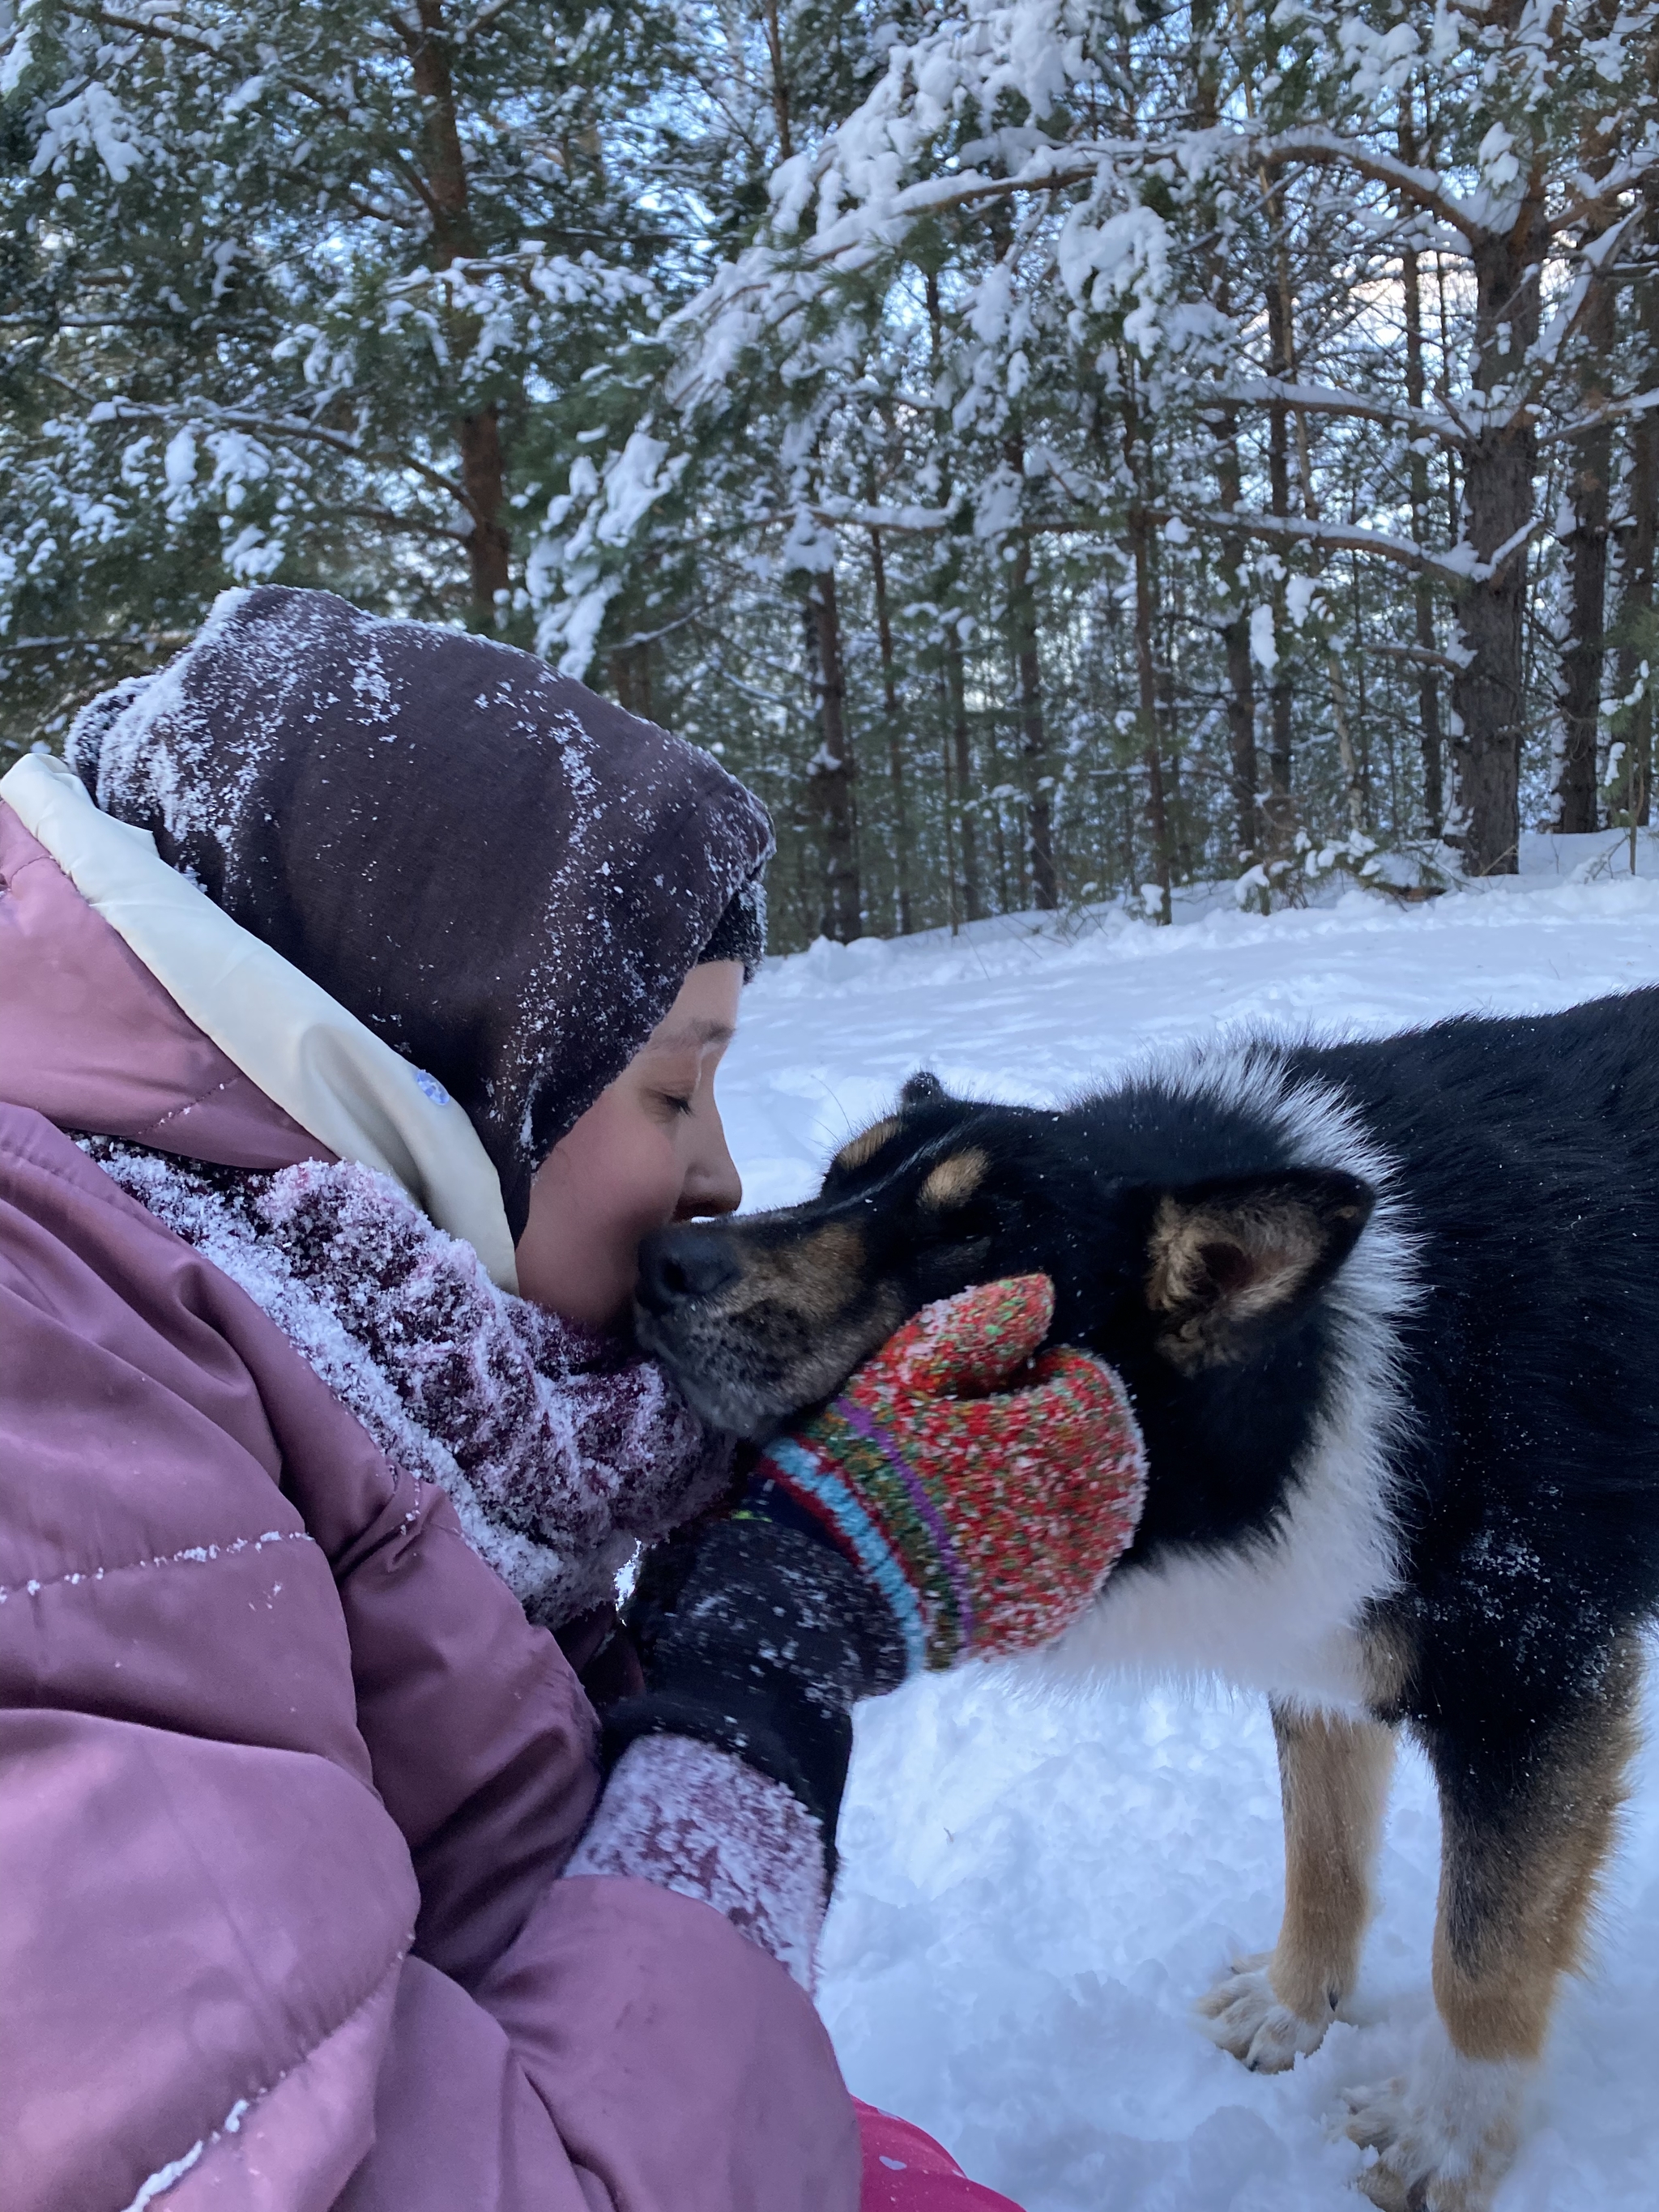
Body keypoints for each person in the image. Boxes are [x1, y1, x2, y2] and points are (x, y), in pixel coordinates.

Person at [0, 587, 1145, 2212]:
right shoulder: (47, 1383)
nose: (722, 1169)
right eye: (675, 1082)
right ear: (438, 1053)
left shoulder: (326, 1335)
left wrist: (724, 1597)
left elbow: (479, 1870)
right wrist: (757, 1673)